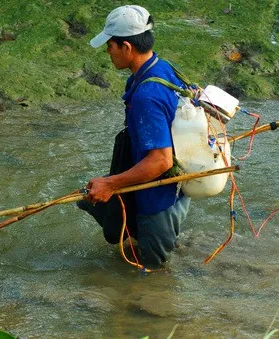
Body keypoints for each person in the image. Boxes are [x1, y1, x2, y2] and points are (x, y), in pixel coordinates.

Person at [77, 5, 191, 269]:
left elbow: (161, 161)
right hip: (173, 192)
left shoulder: (146, 95)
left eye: (110, 45)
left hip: (157, 201)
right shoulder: (162, 68)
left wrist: (110, 184)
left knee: (153, 276)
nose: (107, 51)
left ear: (127, 47)